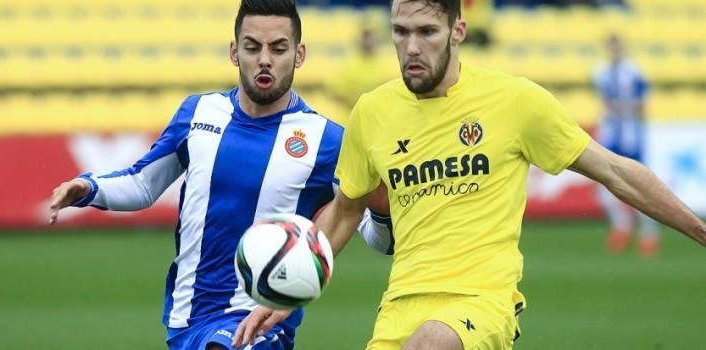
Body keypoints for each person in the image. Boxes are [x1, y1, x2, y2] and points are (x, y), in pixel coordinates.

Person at [234, 0, 706, 349]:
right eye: (400, 32)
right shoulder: (372, 112)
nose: (411, 47)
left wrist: (698, 229)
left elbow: (615, 171)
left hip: (480, 300)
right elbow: (344, 211)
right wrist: (288, 289)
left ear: (457, 30)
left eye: (427, 32)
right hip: (400, 304)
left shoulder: (515, 101)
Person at [48, 1, 390, 349]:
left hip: (259, 321)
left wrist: (381, 208)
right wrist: (88, 187)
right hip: (187, 318)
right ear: (234, 51)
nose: (265, 59)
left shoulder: (327, 140)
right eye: (252, 47)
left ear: (299, 55)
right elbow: (142, 183)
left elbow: (374, 235)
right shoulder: (198, 113)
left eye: (279, 48)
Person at [593, 34, 660, 257]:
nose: (614, 50)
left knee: (640, 185)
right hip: (611, 134)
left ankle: (649, 234)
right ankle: (622, 226)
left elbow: (641, 105)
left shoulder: (634, 72)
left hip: (631, 135)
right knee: (603, 184)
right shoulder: (601, 73)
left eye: (617, 46)